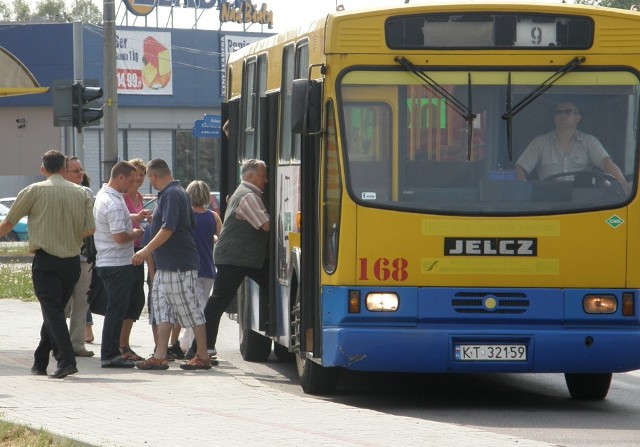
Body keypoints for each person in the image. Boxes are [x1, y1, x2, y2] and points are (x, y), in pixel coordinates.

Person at [0, 150, 95, 379]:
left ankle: (66, 361)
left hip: (46, 260)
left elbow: (9, 223)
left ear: (43, 169)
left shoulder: (33, 191)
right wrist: (69, 235)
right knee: (55, 312)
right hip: (72, 262)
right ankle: (40, 361)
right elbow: (90, 229)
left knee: (52, 311)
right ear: (64, 169)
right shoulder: (82, 193)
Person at [132, 158, 211, 370]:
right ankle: (160, 354)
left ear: (155, 176)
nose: (151, 182)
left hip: (179, 264)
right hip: (167, 264)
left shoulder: (173, 194)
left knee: (190, 308)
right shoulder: (173, 193)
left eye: (150, 178)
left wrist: (146, 249)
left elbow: (169, 228)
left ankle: (203, 355)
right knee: (162, 309)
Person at [199, 159, 269, 359]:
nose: (266, 180)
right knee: (217, 304)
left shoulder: (242, 193)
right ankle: (202, 348)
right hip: (235, 258)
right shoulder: (248, 196)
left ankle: (201, 347)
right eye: (263, 175)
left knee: (218, 303)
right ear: (250, 176)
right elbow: (265, 225)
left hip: (243, 258)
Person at [94, 161, 145, 368]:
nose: (133, 184)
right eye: (131, 180)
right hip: (117, 263)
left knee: (116, 308)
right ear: (121, 177)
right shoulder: (114, 202)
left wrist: (134, 218)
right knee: (117, 310)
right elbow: (119, 236)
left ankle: (112, 352)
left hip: (110, 261)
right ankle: (110, 354)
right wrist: (135, 233)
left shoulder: (105, 196)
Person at [515, 101, 629, 193]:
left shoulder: (589, 141)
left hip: (581, 200)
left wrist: (624, 186)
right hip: (547, 199)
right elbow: (520, 168)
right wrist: (524, 190)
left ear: (578, 117)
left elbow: (607, 164)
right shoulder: (539, 142)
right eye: (558, 112)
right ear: (553, 118)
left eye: (568, 112)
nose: (562, 115)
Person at [182, 180, 222, 360]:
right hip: (208, 267)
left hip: (189, 268)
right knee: (202, 307)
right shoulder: (213, 217)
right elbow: (221, 239)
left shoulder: (185, 216)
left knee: (192, 308)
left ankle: (192, 345)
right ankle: (197, 345)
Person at [61, 156, 94, 357]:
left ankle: (77, 344)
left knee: (82, 301)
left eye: (81, 170)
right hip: (62, 255)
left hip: (83, 257)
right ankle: (56, 342)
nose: (81, 173)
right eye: (76, 171)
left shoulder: (87, 193)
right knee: (61, 304)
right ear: (63, 173)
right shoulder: (56, 192)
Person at [118, 158, 149, 362]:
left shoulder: (138, 196)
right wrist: (137, 219)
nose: (138, 178)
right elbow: (121, 218)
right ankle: (121, 346)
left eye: (142, 175)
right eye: (136, 174)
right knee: (128, 300)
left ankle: (124, 344)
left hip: (139, 252)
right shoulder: (122, 197)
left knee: (137, 301)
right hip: (126, 253)